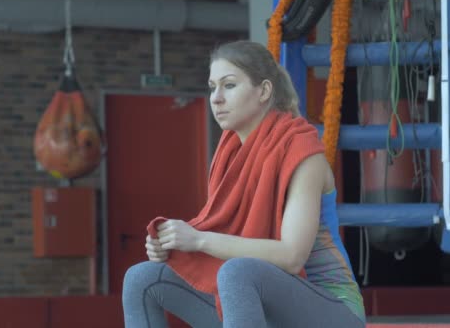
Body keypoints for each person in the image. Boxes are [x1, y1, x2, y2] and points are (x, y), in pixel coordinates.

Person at [122, 40, 365, 328]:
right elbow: (225, 231)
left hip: (332, 309)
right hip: (256, 302)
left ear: (263, 91)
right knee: (142, 278)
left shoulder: (303, 154)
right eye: (213, 87)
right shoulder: (229, 152)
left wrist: (198, 240)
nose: (216, 98)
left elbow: (291, 257)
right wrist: (174, 243)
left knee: (238, 272)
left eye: (229, 85)